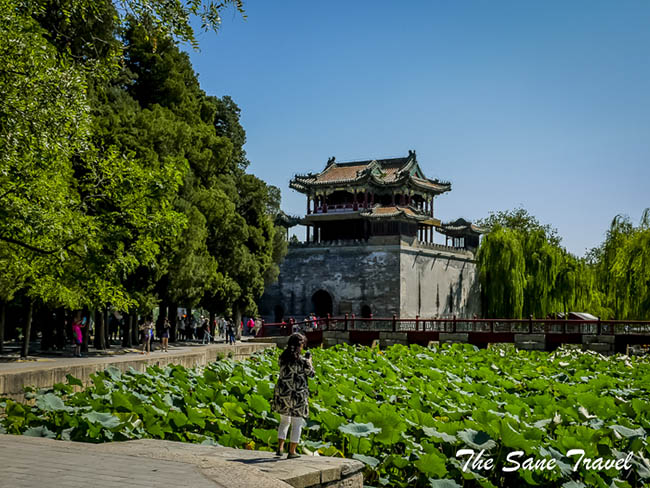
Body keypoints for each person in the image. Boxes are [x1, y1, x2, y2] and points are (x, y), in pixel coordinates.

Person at [272, 333, 315, 458]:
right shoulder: (303, 361)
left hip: (283, 393)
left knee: (284, 421)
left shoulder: (282, 358)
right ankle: (292, 451)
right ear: (300, 345)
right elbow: (311, 374)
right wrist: (310, 362)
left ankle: (280, 448)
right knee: (297, 423)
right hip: (298, 395)